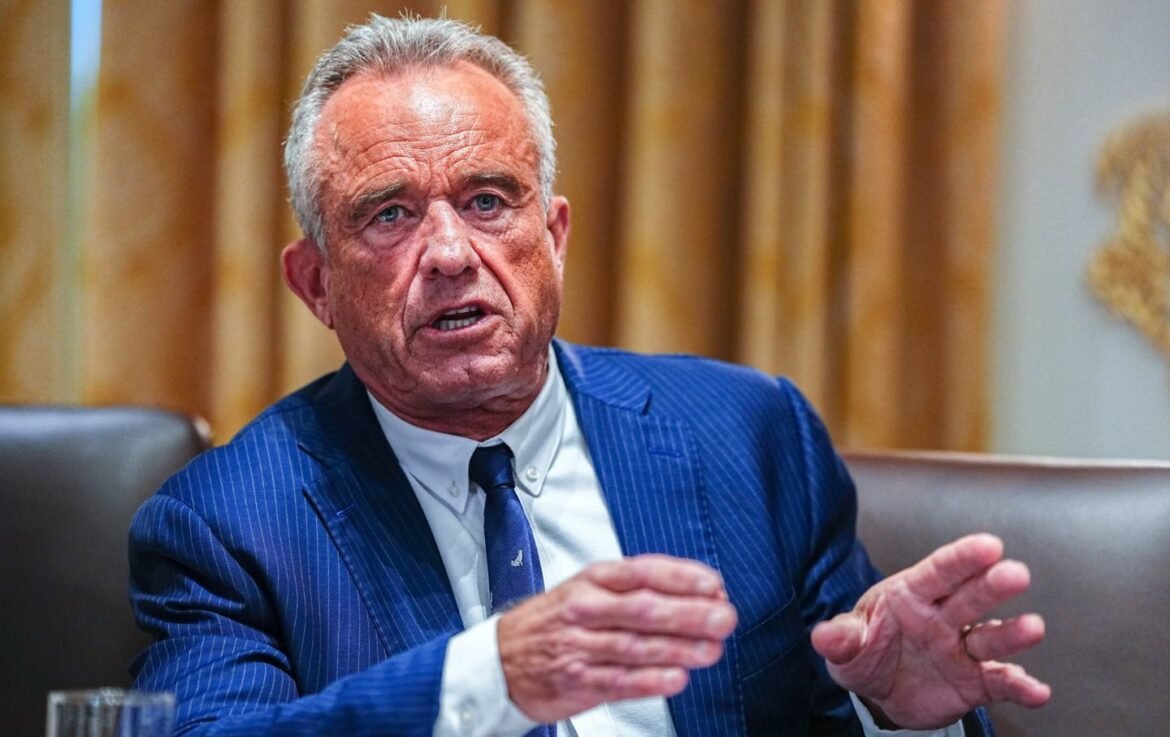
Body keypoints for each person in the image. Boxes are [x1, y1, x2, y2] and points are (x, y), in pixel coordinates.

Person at [128, 15, 1050, 737]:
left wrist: (890, 713)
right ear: (316, 284)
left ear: (555, 238)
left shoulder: (749, 434)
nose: (450, 252)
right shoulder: (226, 524)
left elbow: (848, 692)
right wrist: (491, 678)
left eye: (488, 200)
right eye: (389, 215)